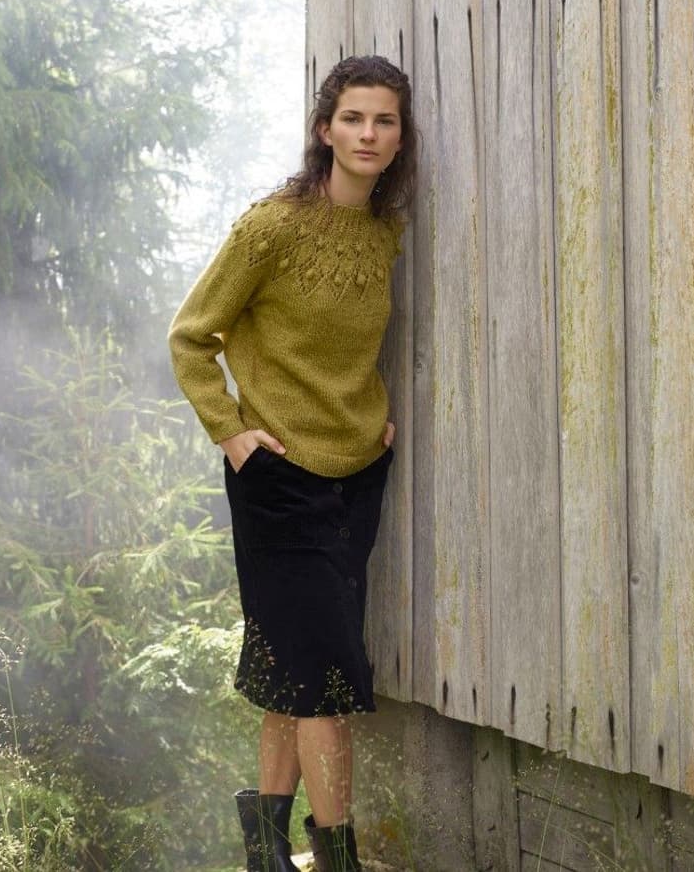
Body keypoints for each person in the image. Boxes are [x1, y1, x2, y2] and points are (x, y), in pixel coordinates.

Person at [168, 55, 417, 872]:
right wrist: (230, 432)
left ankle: (267, 854)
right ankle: (338, 859)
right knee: (327, 685)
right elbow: (191, 337)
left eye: (384, 120)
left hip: (356, 479)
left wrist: (372, 415)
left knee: (293, 672)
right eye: (353, 118)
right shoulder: (270, 227)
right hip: (277, 482)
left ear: (400, 136)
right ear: (325, 130)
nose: (368, 133)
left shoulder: (385, 231)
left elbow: (345, 351)